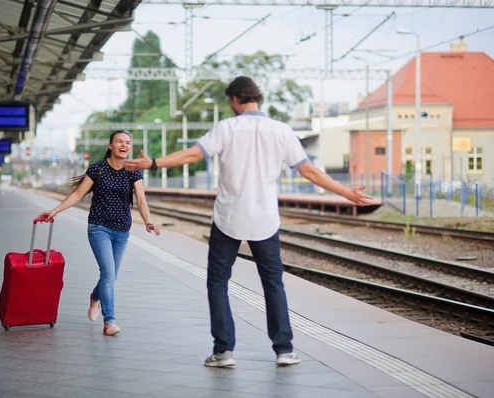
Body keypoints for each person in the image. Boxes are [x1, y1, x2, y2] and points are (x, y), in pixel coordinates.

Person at [124, 76, 373, 367]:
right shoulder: (280, 131)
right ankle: (284, 350)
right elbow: (310, 172)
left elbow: (193, 154)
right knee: (273, 284)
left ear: (234, 99)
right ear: (256, 97)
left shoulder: (227, 127)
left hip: (228, 217)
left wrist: (154, 163)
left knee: (218, 282)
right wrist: (346, 193)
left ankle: (223, 351)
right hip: (265, 219)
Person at [38, 130, 160, 336]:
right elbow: (78, 194)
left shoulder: (133, 171)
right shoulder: (98, 168)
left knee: (111, 276)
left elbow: (141, 200)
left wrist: (148, 221)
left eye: (127, 142)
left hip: (122, 230)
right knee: (108, 274)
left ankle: (95, 297)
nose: (124, 145)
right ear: (110, 145)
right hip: (99, 228)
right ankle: (109, 321)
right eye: (119, 141)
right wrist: (55, 211)